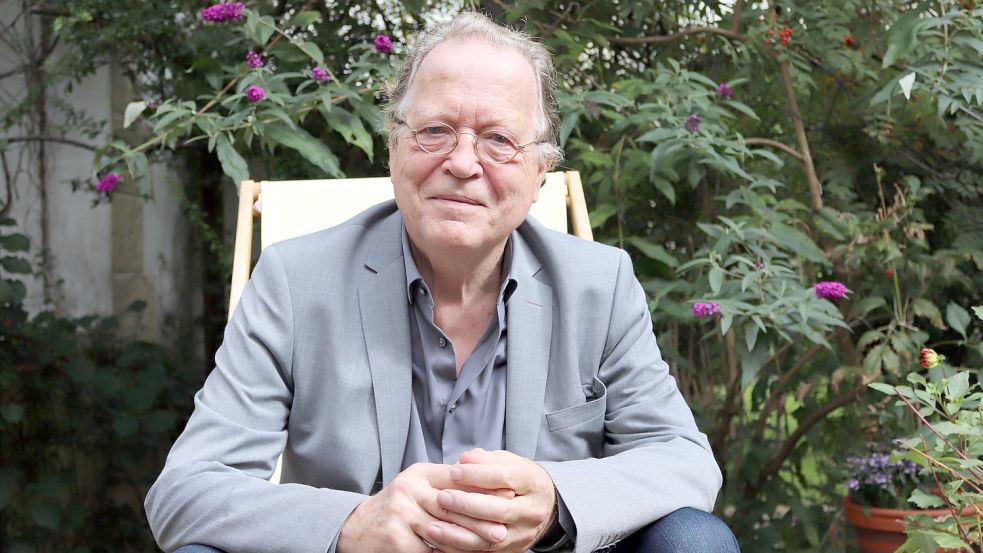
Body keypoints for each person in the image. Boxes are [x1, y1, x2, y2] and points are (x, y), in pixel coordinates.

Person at [146, 12, 737, 553]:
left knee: (694, 539)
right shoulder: (295, 282)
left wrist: (557, 501)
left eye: (499, 140)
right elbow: (184, 493)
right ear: (394, 145)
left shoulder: (599, 286)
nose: (461, 162)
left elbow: (684, 461)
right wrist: (352, 525)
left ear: (540, 173)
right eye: (435, 130)